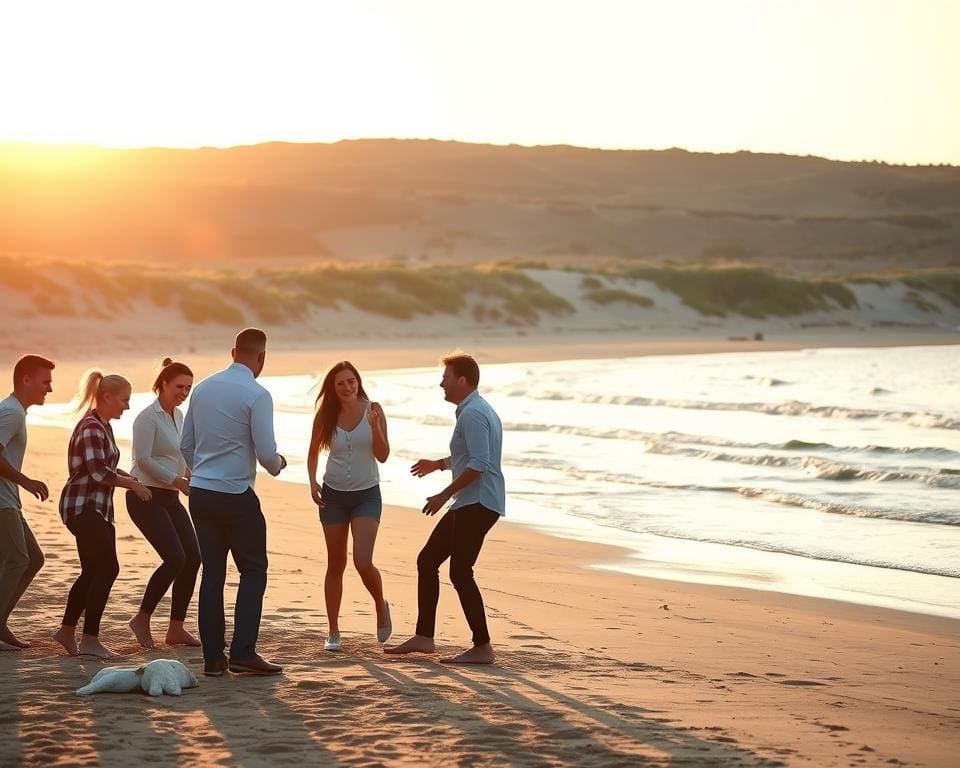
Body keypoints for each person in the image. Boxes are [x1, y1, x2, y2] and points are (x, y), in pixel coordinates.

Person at [386, 352, 505, 665]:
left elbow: (480, 463)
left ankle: (482, 646)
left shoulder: (474, 413)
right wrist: (438, 464)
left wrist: (443, 495)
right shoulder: (473, 409)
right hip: (469, 501)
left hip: (478, 502)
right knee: (427, 560)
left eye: (446, 377)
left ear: (462, 380)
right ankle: (424, 637)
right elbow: (469, 456)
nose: (442, 383)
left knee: (460, 572)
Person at [180, 328, 287, 677]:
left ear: (233, 352)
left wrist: (204, 472)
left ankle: (213, 659)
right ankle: (243, 652)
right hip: (236, 494)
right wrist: (279, 464)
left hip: (201, 492)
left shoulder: (203, 388)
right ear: (262, 358)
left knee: (212, 574)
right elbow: (267, 454)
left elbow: (186, 444)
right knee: (253, 571)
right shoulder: (257, 394)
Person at [53, 371, 152, 658]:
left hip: (98, 508)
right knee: (108, 568)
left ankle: (66, 631)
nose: (127, 407)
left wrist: (130, 478)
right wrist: (131, 485)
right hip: (82, 506)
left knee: (93, 570)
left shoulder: (103, 426)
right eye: (124, 400)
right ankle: (90, 640)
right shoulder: (91, 428)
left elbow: (105, 466)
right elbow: (98, 473)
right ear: (106, 396)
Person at [307, 361, 391, 652]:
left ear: (358, 382)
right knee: (336, 564)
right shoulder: (326, 415)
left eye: (351, 381)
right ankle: (333, 631)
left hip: (367, 495)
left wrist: (374, 427)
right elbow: (313, 451)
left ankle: (380, 604)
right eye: (340, 383)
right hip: (333, 496)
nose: (347, 387)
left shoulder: (374, 410)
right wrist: (312, 482)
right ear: (333, 388)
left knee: (363, 561)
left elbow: (383, 455)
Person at [127, 358, 201, 649]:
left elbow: (178, 456)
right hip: (145, 496)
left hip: (170, 496)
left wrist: (191, 476)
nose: (184, 392)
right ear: (164, 384)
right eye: (179, 386)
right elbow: (142, 459)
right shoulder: (147, 417)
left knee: (193, 558)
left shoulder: (178, 416)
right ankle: (141, 619)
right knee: (175, 559)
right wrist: (176, 480)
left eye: (188, 387)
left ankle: (176, 629)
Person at [0, 355, 54, 651]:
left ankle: (1, 622)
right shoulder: (11, 412)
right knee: (18, 560)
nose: (50, 389)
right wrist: (26, 481)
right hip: (2, 502)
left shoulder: (14, 411)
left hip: (9, 500)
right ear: (26, 379)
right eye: (46, 382)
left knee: (33, 558)